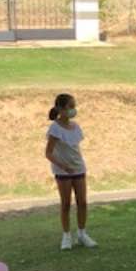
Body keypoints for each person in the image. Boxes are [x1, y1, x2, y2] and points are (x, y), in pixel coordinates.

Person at [45, 93, 96, 251]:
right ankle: (66, 236)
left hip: (79, 168)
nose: (73, 110)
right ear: (60, 109)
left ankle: (82, 234)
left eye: (74, 106)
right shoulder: (54, 128)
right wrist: (64, 166)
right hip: (63, 171)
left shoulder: (76, 126)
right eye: (70, 107)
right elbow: (48, 153)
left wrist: (75, 165)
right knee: (66, 204)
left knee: (82, 202)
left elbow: (75, 148)